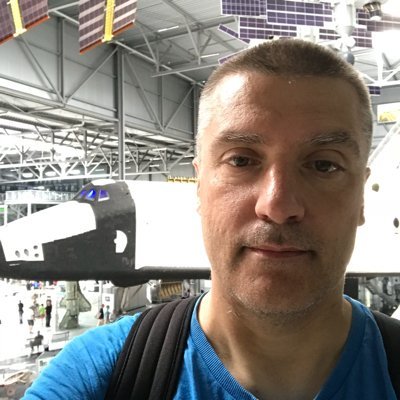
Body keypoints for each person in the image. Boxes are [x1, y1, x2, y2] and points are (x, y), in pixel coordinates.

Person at [23, 39, 398, 399]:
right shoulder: (99, 373)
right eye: (241, 160)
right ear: (199, 185)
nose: (277, 205)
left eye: (324, 165)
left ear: (362, 196)